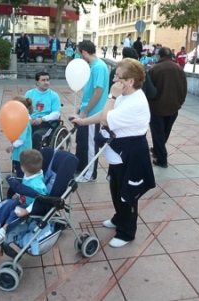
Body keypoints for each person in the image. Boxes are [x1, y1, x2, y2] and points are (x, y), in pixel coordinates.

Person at [70, 58, 156, 248]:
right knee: (116, 189)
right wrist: (82, 121)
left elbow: (106, 118)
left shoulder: (135, 101)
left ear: (130, 81)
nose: (114, 80)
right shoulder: (125, 96)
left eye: (118, 77)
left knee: (127, 194)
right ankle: (119, 218)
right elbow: (105, 113)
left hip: (131, 153)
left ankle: (126, 233)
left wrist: (111, 96)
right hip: (118, 152)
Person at [0, 149, 48, 246]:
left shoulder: (38, 186)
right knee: (8, 204)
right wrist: (19, 194)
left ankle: (3, 230)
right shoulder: (30, 174)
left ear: (23, 168)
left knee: (15, 212)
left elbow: (40, 201)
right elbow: (25, 188)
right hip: (24, 200)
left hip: (32, 206)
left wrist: (27, 211)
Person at [75, 40, 109, 182]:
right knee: (82, 142)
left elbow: (98, 92)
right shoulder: (94, 66)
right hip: (87, 111)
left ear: (84, 52)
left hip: (93, 113)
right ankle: (81, 168)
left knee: (90, 145)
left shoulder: (98, 67)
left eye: (80, 54)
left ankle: (90, 174)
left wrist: (85, 111)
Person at [148, 47, 187, 168]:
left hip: (157, 107)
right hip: (174, 107)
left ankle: (162, 159)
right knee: (164, 132)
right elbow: (184, 89)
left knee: (158, 133)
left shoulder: (155, 69)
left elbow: (149, 90)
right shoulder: (179, 69)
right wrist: (179, 103)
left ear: (159, 56)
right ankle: (157, 150)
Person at [24, 72, 61, 150]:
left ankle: (34, 158)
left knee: (36, 135)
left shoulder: (54, 96)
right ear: (36, 82)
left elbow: (56, 113)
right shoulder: (29, 94)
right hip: (31, 121)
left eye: (47, 80)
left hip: (47, 124)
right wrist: (29, 119)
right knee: (21, 133)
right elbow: (24, 110)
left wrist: (42, 119)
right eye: (43, 80)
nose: (46, 82)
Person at [6, 96, 33, 180]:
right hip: (22, 150)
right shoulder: (24, 119)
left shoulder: (24, 121)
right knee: (21, 169)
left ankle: (20, 186)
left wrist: (12, 146)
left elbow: (21, 138)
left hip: (21, 151)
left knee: (21, 171)